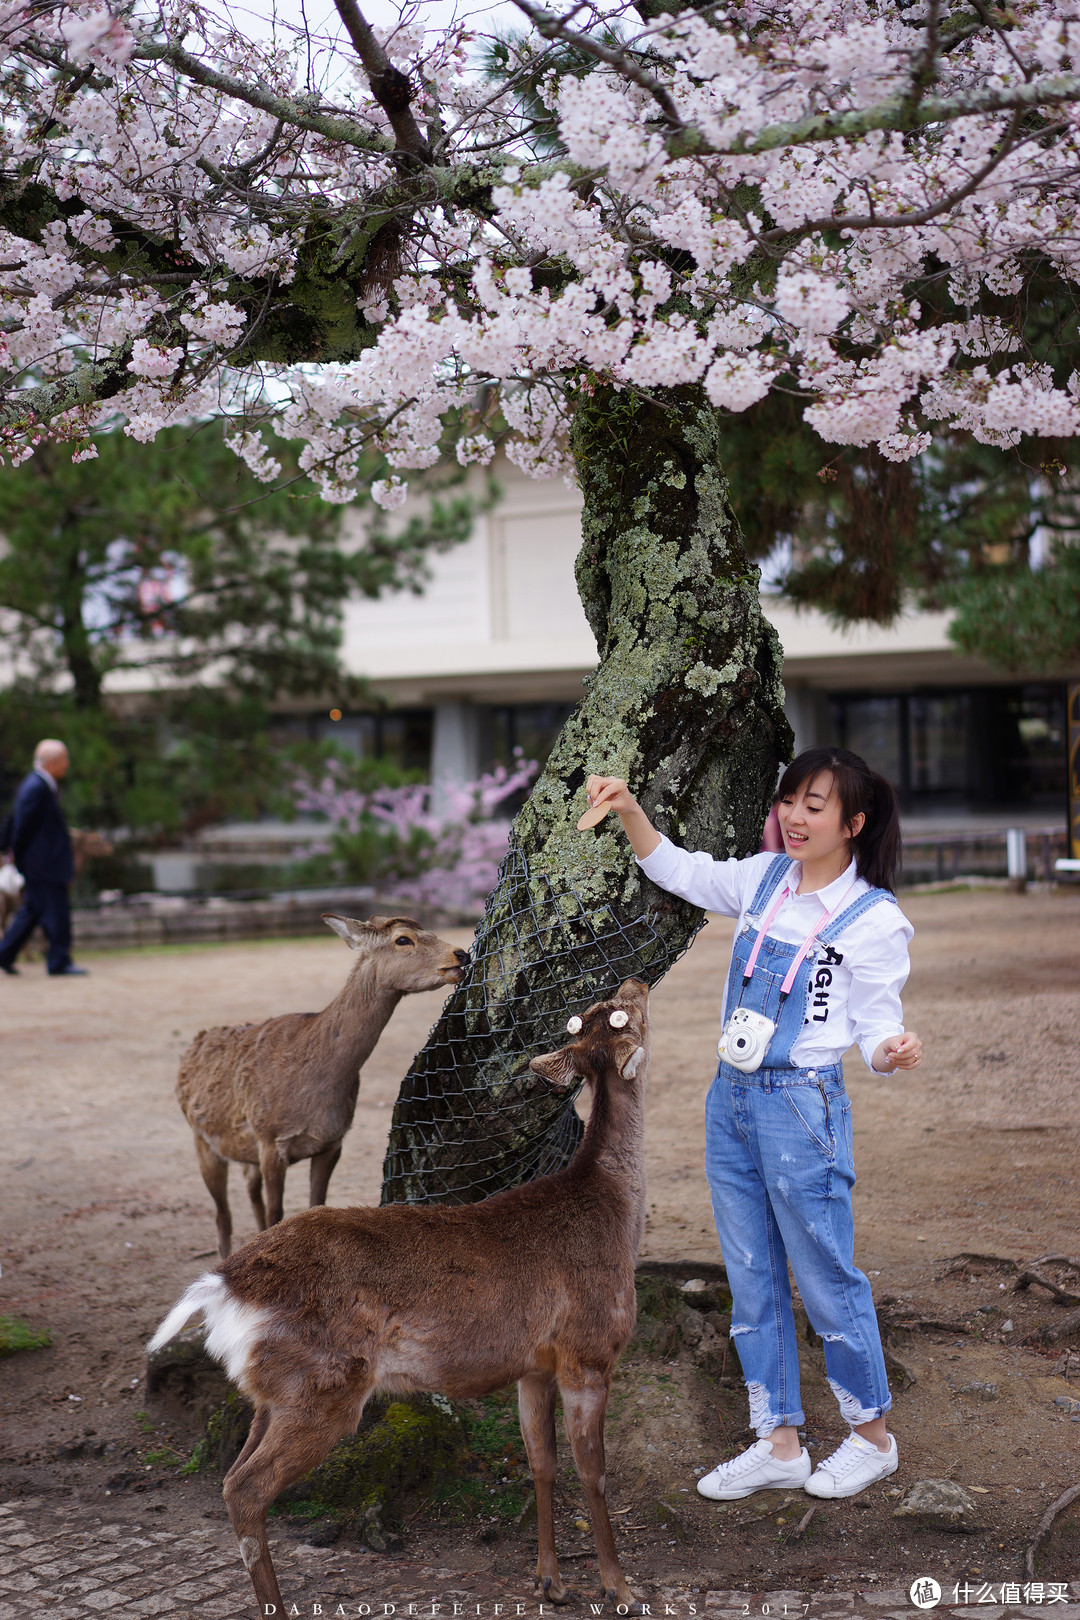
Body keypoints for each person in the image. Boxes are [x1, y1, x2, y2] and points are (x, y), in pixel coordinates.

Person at [585, 747, 922, 1502]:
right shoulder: (762, 878)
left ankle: (873, 1437)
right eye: (791, 801)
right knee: (752, 1275)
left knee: (828, 1275)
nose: (795, 818)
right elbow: (681, 870)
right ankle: (779, 1440)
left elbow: (874, 1021)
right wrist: (631, 809)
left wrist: (889, 1051)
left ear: (854, 822)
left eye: (815, 805)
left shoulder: (874, 918)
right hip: (729, 1099)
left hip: (804, 1106)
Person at [0, 740, 88, 977]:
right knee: (56, 911)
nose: (67, 764)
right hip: (43, 864)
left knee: (34, 909)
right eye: (65, 759)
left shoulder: (39, 785)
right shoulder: (36, 787)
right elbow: (22, 825)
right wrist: (16, 856)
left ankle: (5, 953)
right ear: (52, 762)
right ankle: (59, 960)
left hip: (41, 862)